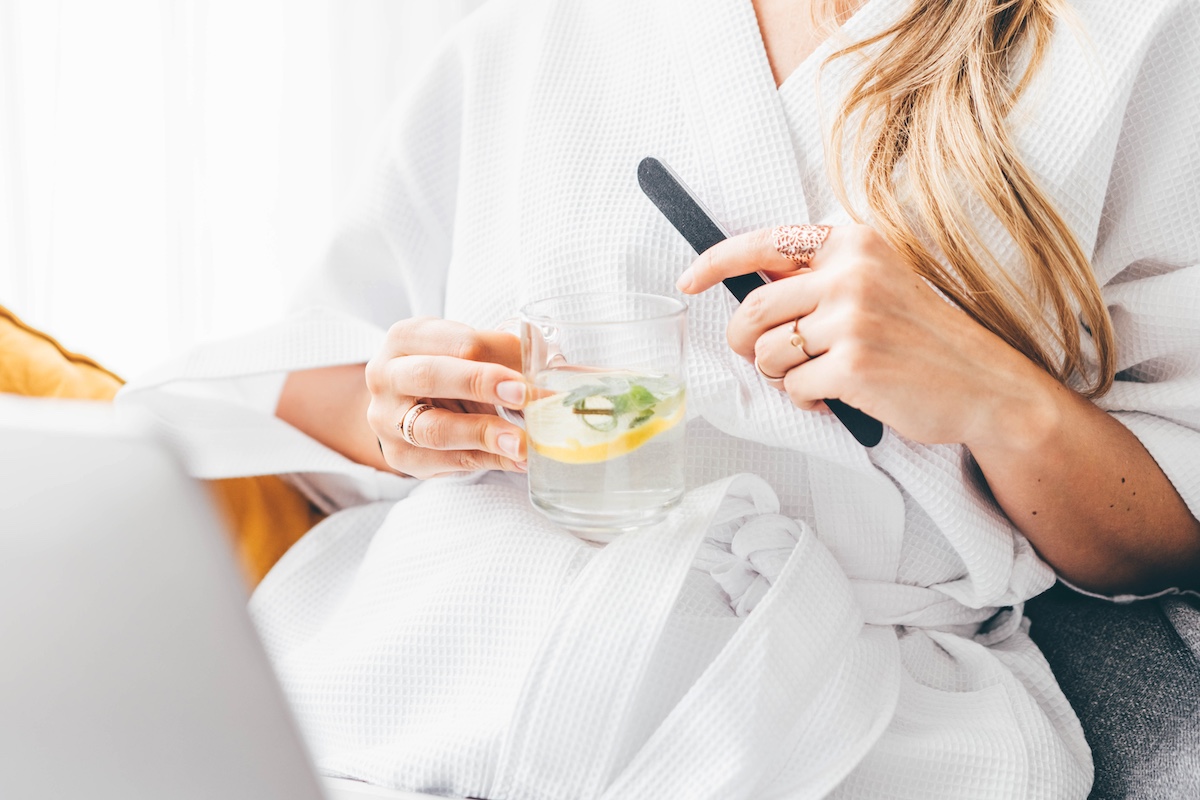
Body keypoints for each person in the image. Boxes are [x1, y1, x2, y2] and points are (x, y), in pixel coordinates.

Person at [119, 0, 1200, 796]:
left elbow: (1167, 531)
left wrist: (987, 390)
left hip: (844, 725)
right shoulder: (535, 32)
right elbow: (334, 382)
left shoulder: (1132, 39)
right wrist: (405, 410)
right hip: (444, 654)